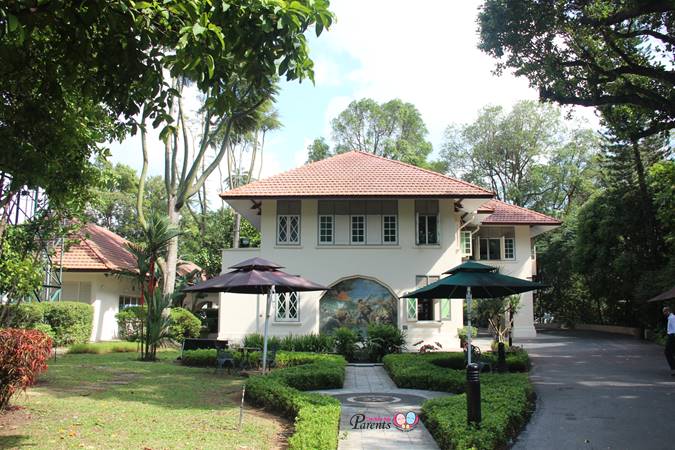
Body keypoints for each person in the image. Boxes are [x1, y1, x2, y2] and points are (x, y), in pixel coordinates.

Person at [664, 306, 675, 376]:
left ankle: (673, 367)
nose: (664, 313)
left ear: (668, 311)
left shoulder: (672, 318)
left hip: (672, 336)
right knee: (670, 352)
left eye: (664, 311)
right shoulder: (670, 318)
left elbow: (674, 328)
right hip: (671, 336)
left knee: (667, 352)